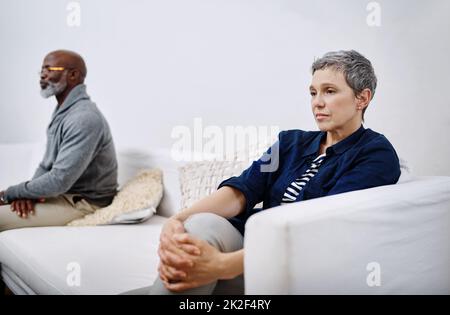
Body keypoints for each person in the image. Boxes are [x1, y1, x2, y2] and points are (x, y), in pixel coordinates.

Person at [126, 50, 401, 295]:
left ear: (362, 98)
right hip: (249, 246)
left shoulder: (375, 154)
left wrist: (221, 266)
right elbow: (241, 191)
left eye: (329, 91)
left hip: (296, 263)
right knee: (199, 225)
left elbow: (327, 231)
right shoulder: (290, 142)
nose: (317, 102)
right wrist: (176, 220)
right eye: (313, 92)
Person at [0, 50, 118, 232]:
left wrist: (10, 194)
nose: (43, 75)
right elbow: (46, 166)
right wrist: (26, 194)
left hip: (84, 203)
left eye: (49, 69)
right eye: (41, 70)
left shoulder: (84, 118)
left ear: (73, 75)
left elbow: (59, 180)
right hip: (63, 193)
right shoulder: (63, 112)